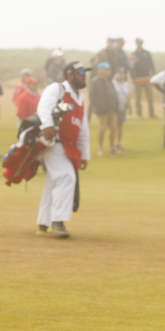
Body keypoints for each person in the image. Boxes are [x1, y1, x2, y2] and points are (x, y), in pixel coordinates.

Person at [36, 62, 90, 238]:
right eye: (81, 72)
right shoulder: (57, 89)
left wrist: (84, 154)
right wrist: (48, 125)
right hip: (54, 142)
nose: (84, 75)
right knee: (66, 177)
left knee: (54, 181)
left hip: (68, 147)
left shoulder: (80, 99)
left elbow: (83, 129)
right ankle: (57, 222)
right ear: (70, 76)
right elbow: (43, 107)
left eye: (85, 72)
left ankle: (43, 222)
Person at [88, 62, 118, 157]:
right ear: (100, 71)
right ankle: (101, 149)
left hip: (111, 108)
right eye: (106, 69)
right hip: (101, 110)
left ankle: (111, 147)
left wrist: (115, 105)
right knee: (102, 129)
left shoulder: (109, 80)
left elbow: (113, 93)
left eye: (109, 69)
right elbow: (92, 96)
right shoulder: (95, 81)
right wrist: (98, 106)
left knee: (113, 128)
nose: (108, 71)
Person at [131, 38, 156, 118]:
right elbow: (131, 67)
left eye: (140, 42)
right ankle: (139, 114)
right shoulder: (133, 54)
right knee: (138, 97)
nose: (139, 44)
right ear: (136, 43)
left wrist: (154, 74)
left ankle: (151, 114)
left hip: (147, 77)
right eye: (138, 43)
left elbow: (151, 64)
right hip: (138, 78)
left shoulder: (147, 53)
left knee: (150, 96)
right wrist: (133, 77)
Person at [112, 67, 130, 153]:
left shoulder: (126, 84)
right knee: (114, 126)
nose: (122, 75)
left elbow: (128, 96)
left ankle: (118, 143)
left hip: (123, 107)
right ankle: (112, 145)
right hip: (115, 108)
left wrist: (130, 106)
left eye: (123, 73)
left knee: (120, 126)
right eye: (120, 73)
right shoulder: (113, 83)